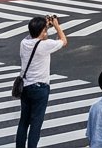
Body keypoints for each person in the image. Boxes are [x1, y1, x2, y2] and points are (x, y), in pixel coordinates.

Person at [15, 14, 68, 148]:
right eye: (45, 29)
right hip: (40, 89)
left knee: (24, 122)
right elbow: (63, 40)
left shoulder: (24, 43)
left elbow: (36, 35)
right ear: (42, 31)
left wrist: (45, 26)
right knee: (36, 124)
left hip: (25, 87)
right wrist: (56, 25)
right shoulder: (45, 45)